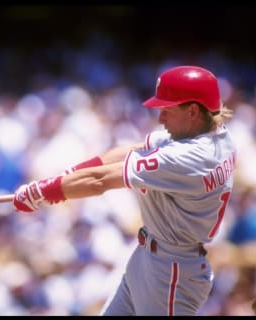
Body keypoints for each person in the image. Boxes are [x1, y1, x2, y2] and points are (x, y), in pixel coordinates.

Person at [12, 65, 236, 316]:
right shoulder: (213, 135)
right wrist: (65, 177)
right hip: (151, 257)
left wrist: (44, 192)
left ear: (193, 111)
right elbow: (130, 151)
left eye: (167, 110)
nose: (161, 118)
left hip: (172, 271)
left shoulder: (190, 157)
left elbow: (101, 181)